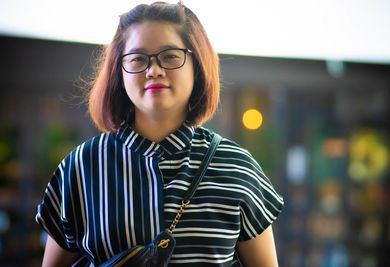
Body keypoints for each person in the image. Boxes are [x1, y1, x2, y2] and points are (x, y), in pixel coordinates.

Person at [36, 1, 284, 266]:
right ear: (119, 72)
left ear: (197, 66)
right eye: (138, 58)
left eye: (170, 56)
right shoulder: (81, 167)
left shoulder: (237, 167)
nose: (153, 70)